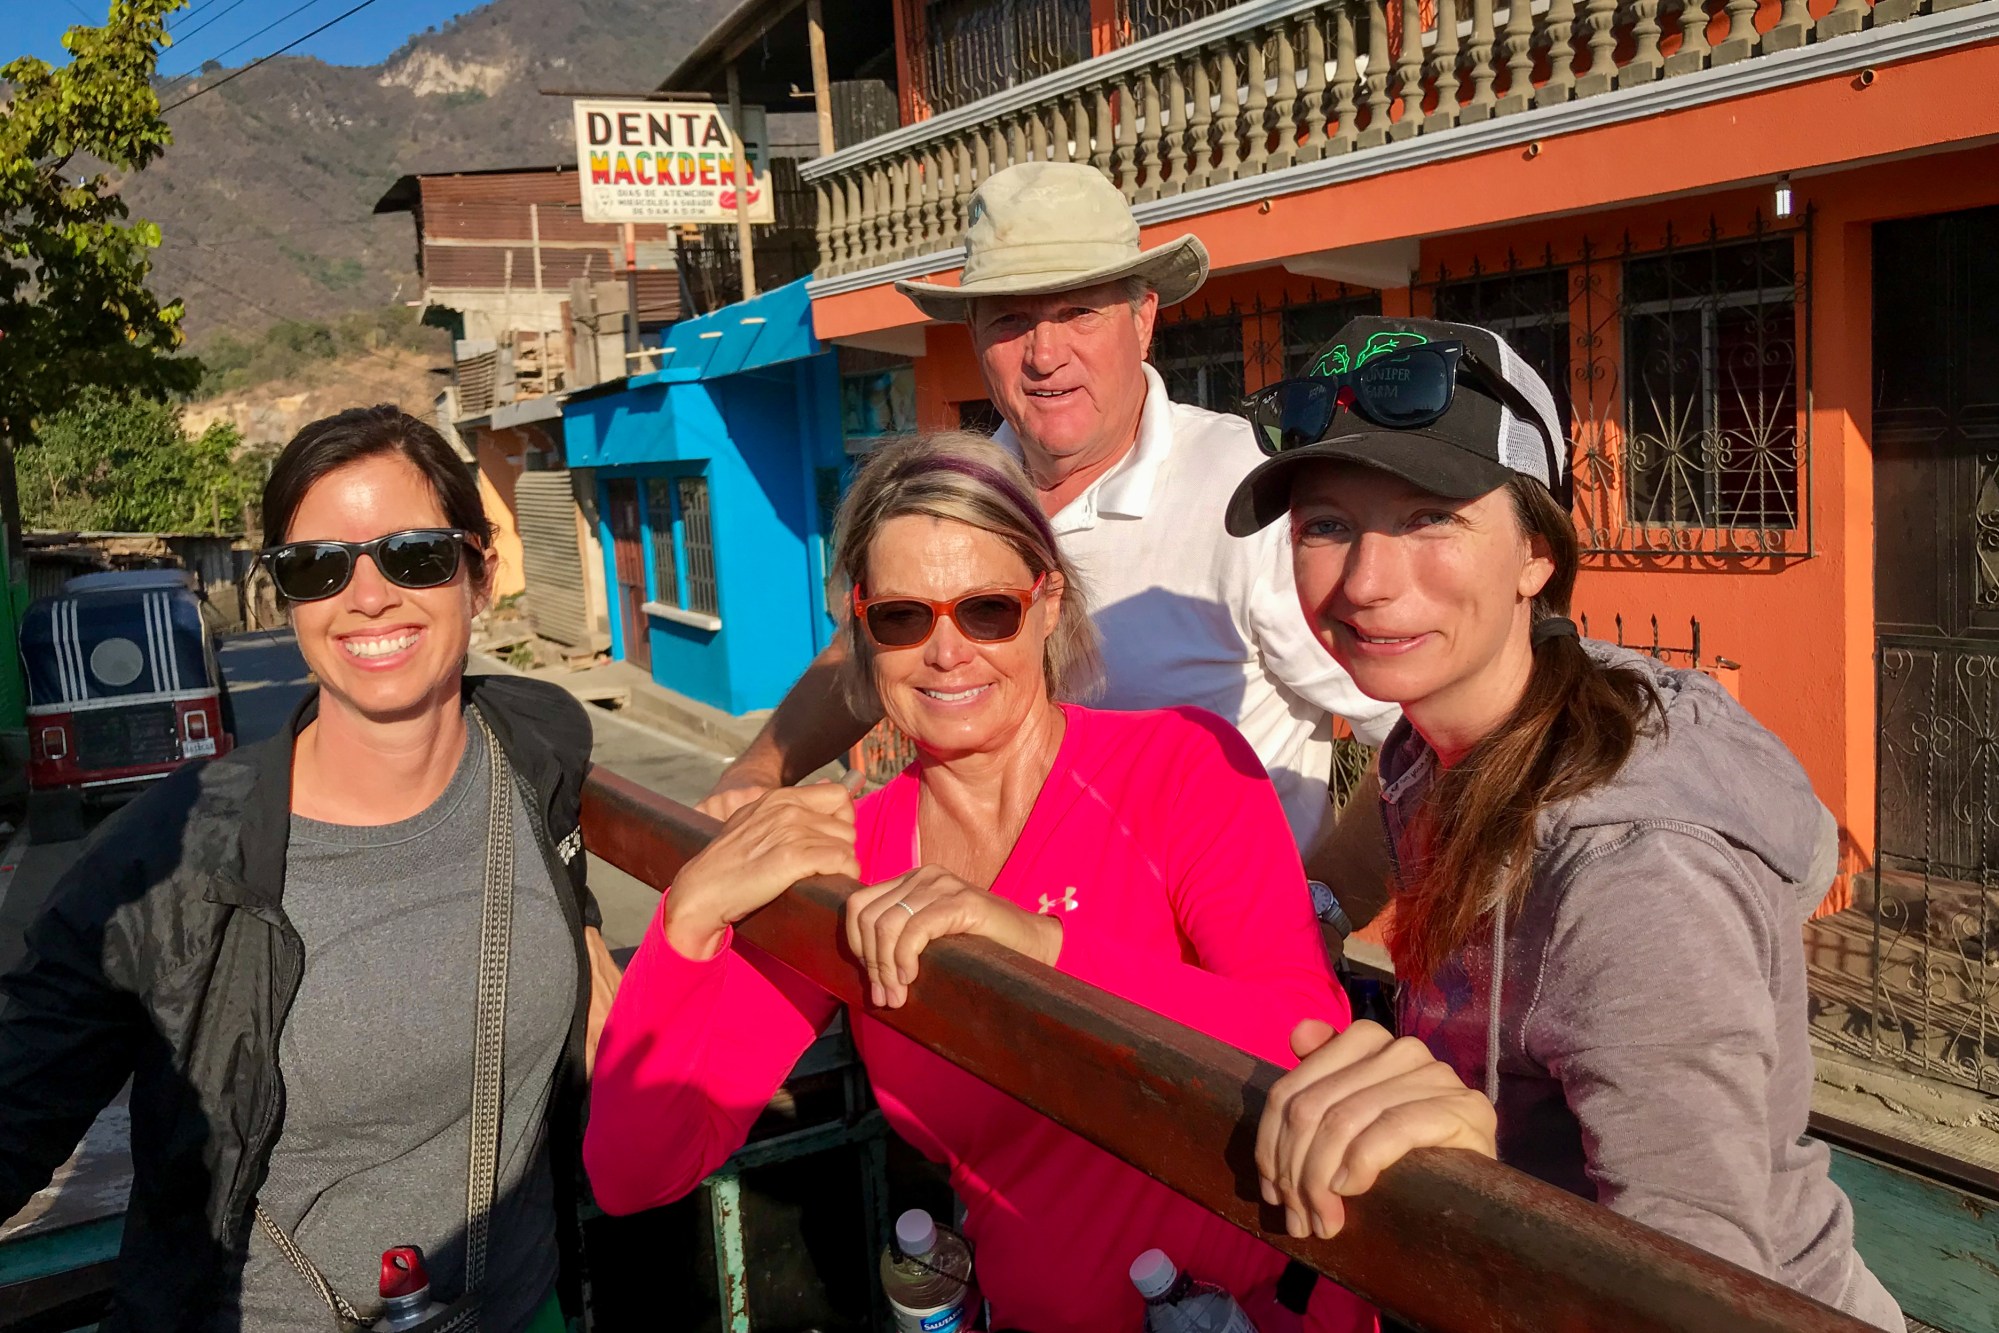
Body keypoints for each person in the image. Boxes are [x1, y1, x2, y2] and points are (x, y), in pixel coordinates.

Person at [586, 433, 1372, 1333]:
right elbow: (635, 1171)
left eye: (987, 609)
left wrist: (1033, 944)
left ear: (1048, 604)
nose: (946, 652)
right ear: (861, 627)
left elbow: (1304, 1044)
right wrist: (687, 917)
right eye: (903, 617)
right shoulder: (850, 860)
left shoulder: (1174, 767)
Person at [1224, 317, 1901, 1329]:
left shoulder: (1635, 884)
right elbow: (1393, 799)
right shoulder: (1456, 721)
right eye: (1327, 525)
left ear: (1537, 552)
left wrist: (1482, 1174)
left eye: (1428, 518)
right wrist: (1310, 914)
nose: (1365, 582)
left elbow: (1689, 1292)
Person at [0, 407, 622, 1331]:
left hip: (524, 1301)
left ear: (480, 570)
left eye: (413, 554)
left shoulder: (537, 744)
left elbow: (563, 892)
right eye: (318, 567)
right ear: (286, 599)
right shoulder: (167, 860)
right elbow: (20, 1099)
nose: (367, 597)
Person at [698, 161, 1398, 880]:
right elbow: (872, 646)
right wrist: (758, 770)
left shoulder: (1250, 491)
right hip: (990, 957)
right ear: (973, 337)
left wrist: (1321, 912)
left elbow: (1418, 738)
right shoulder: (960, 493)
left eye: (1076, 312)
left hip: (1193, 980)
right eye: (1010, 320)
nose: (1043, 355)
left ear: (1143, 317)